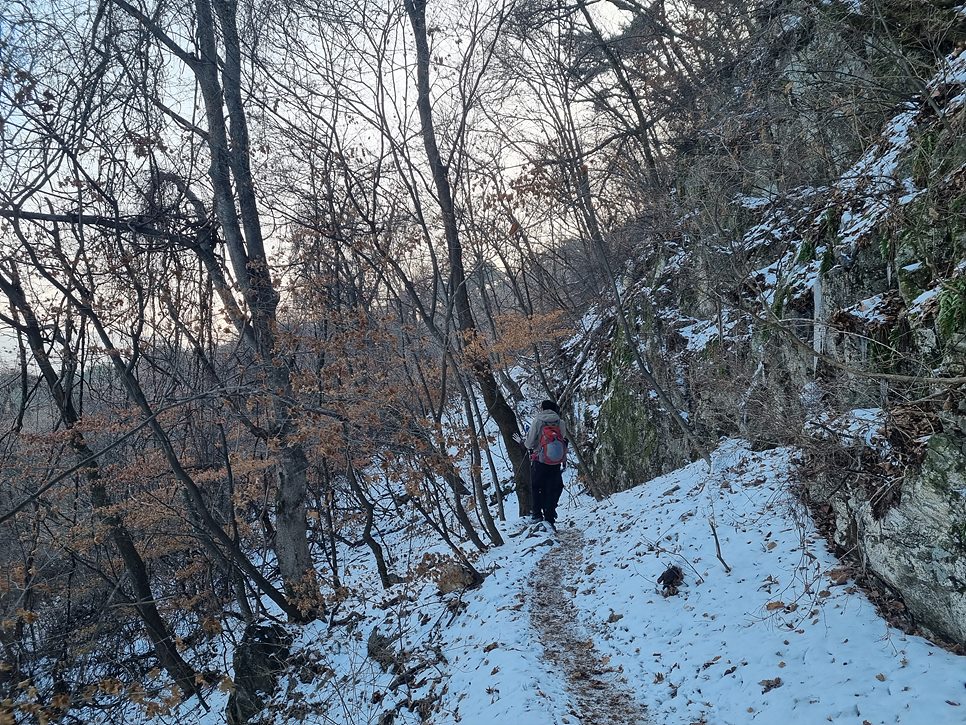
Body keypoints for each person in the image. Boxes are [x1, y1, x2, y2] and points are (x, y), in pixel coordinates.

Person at [524, 399, 567, 528]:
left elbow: (530, 442)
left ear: (542, 408)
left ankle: (537, 514)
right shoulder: (560, 422)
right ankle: (550, 514)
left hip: (540, 460)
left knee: (537, 487)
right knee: (553, 488)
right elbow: (562, 438)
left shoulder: (538, 421)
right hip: (555, 461)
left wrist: (527, 445)